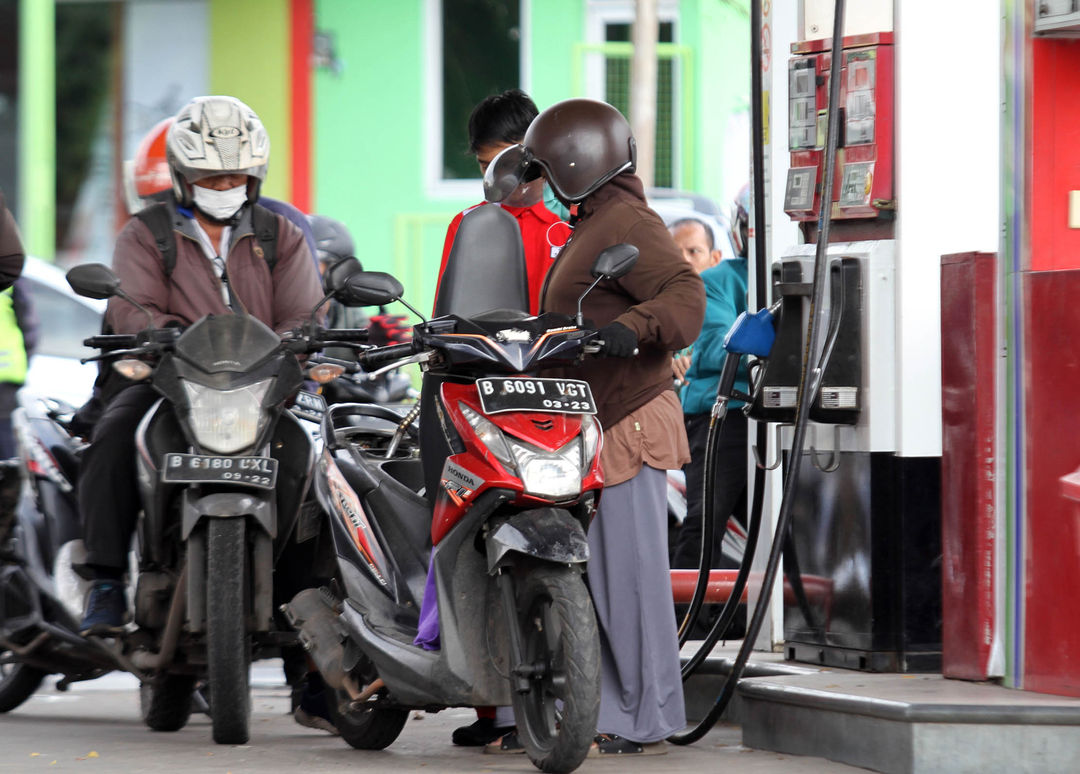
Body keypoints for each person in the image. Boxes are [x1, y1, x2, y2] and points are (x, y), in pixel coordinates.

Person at [490, 98, 705, 755]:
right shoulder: (596, 221)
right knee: (607, 578)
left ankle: (646, 717)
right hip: (596, 424)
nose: (547, 187)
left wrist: (626, 331)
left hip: (630, 421)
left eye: (550, 173)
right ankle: (618, 710)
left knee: (631, 578)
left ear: (575, 167)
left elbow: (685, 299)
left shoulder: (627, 220)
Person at [77, 96, 323, 635]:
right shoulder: (147, 234)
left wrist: (298, 340)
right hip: (175, 381)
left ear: (255, 175)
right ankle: (105, 580)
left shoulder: (281, 233)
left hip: (265, 386)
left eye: (234, 176)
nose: (223, 187)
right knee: (115, 433)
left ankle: (317, 628)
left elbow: (302, 310)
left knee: (325, 464)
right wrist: (154, 330)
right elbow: (129, 304)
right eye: (209, 178)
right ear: (183, 177)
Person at [434, 89, 569, 317]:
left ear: (534, 152)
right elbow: (447, 320)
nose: (499, 176)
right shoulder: (468, 226)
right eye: (487, 166)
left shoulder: (573, 220)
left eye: (507, 162)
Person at [668, 209, 750, 584]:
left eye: (693, 251)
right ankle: (687, 623)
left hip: (773, 416)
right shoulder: (715, 282)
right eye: (677, 253)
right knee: (706, 520)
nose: (684, 263)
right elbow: (720, 346)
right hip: (724, 414)